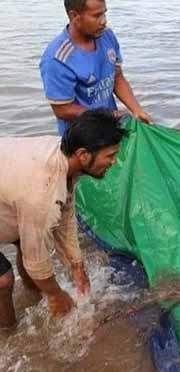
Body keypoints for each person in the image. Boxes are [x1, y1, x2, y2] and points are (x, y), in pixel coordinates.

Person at [0, 109, 125, 331]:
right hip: (24, 191)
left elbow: (65, 215)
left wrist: (76, 265)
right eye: (110, 155)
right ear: (84, 155)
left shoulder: (63, 156)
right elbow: (36, 260)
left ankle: (36, 299)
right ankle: (8, 335)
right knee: (3, 281)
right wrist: (57, 295)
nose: (114, 162)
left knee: (24, 240)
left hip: (9, 188)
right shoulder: (42, 192)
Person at [40, 0, 151, 136]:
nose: (104, 21)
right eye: (96, 16)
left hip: (110, 125)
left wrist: (137, 110)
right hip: (82, 137)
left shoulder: (107, 36)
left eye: (104, 14)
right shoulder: (58, 58)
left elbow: (117, 77)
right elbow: (62, 109)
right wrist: (111, 115)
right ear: (74, 16)